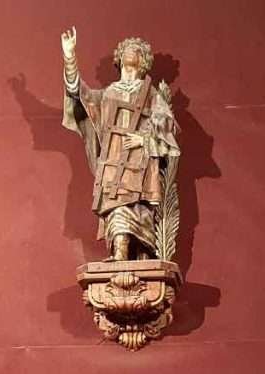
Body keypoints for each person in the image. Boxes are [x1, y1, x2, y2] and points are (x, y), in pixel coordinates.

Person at [61, 27, 180, 261]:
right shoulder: (108, 94)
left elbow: (168, 126)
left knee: (140, 209)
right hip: (114, 162)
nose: (129, 51)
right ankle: (120, 253)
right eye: (126, 49)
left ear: (143, 60)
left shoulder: (150, 94)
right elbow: (79, 94)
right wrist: (69, 57)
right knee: (117, 206)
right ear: (119, 57)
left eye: (135, 50)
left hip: (140, 164)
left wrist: (144, 139)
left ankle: (144, 255)